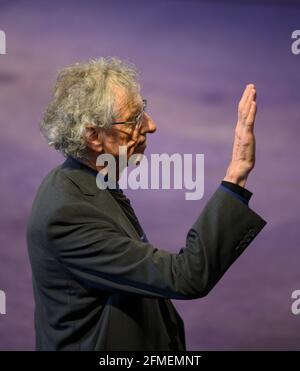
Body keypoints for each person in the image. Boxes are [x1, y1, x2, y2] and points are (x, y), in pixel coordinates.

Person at [27, 57, 267, 350]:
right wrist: (237, 172)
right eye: (134, 118)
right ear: (94, 136)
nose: (151, 126)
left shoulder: (85, 181)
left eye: (144, 110)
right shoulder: (67, 215)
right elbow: (185, 276)